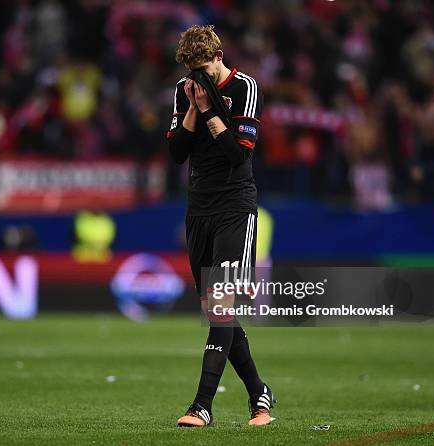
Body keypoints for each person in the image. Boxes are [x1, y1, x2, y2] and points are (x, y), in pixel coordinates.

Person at [166, 25, 275, 427]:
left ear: (219, 56)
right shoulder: (185, 89)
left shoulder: (245, 87)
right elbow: (177, 153)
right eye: (192, 71)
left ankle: (202, 406)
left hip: (235, 206)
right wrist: (194, 107)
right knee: (215, 309)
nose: (199, 78)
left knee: (221, 305)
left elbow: (237, 154)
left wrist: (211, 108)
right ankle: (259, 394)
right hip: (199, 207)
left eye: (205, 70)